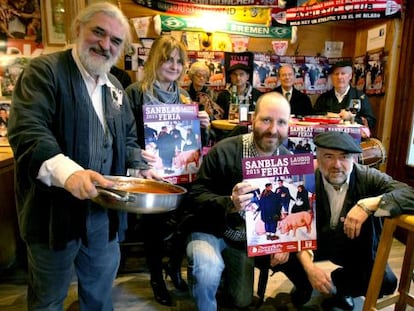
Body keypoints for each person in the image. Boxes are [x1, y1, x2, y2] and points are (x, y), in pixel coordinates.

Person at [6, 3, 160, 310]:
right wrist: (69, 173)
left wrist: (138, 165)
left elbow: (125, 138)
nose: (106, 45)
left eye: (115, 41)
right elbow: (28, 130)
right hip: (53, 217)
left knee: (100, 297)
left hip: (103, 218)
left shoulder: (115, 86)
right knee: (47, 300)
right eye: (98, 32)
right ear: (78, 29)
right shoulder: (44, 71)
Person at [270, 131, 414, 310]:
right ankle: (305, 284)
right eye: (329, 156)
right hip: (315, 241)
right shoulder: (305, 179)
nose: (336, 165)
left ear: (353, 159)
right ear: (318, 157)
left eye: (344, 157)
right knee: (274, 251)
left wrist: (368, 205)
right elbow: (294, 222)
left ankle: (339, 288)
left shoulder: (368, 177)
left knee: (387, 282)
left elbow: (410, 194)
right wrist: (310, 270)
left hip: (352, 245)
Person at [186, 92, 292, 310]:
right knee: (207, 269)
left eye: (281, 122)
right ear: (253, 119)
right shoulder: (224, 151)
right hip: (210, 229)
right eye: (266, 120)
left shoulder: (289, 160)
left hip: (244, 240)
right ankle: (203, 282)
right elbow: (195, 196)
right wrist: (230, 203)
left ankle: (222, 276)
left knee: (241, 300)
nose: (273, 129)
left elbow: (287, 209)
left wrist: (285, 241)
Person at [126, 35, 210, 306]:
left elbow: (195, 142)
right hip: (150, 174)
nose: (174, 66)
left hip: (181, 173)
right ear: (154, 60)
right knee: (154, 228)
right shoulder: (136, 93)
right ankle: (156, 278)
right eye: (167, 59)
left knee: (181, 225)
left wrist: (203, 126)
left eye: (179, 61)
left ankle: (173, 268)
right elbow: (124, 136)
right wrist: (137, 155)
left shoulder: (184, 96)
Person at [313, 60, 376, 131]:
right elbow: (313, 116)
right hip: (327, 138)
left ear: (350, 76)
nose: (339, 77)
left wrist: (351, 117)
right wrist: (328, 116)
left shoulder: (360, 97)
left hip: (352, 139)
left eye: (343, 73)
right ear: (332, 77)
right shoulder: (323, 98)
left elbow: (371, 121)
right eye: (336, 74)